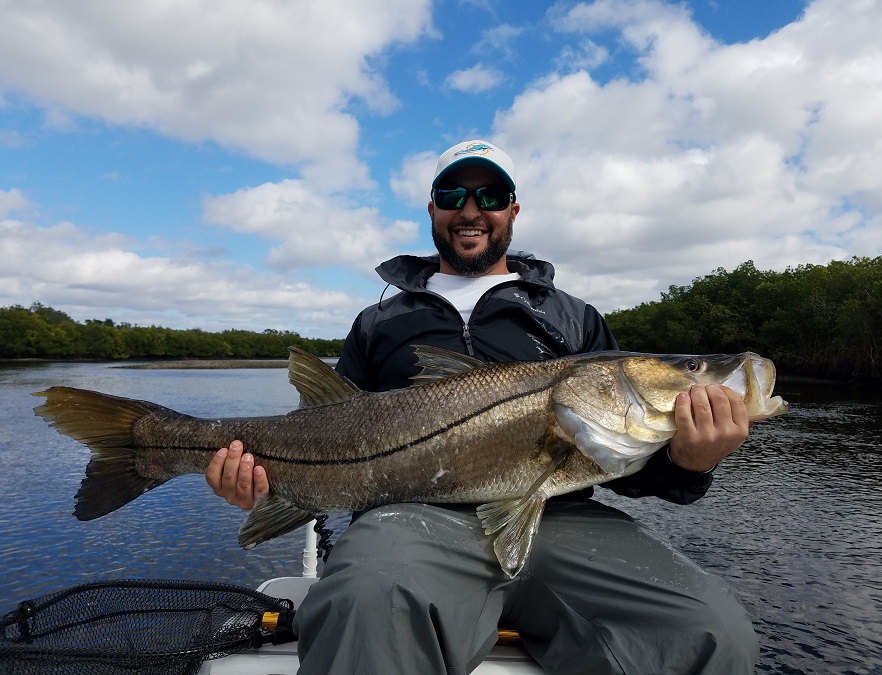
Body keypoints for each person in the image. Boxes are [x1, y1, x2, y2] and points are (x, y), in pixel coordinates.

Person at [206, 140, 759, 674]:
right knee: (367, 600)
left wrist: (692, 462)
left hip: (560, 515)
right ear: (432, 208)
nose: (471, 211)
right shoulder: (379, 323)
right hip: (411, 521)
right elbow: (321, 432)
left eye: (490, 197)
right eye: (453, 195)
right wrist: (263, 480)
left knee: (710, 631)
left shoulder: (574, 319)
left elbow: (630, 470)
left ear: (513, 210)